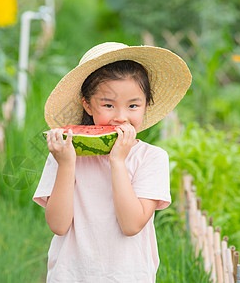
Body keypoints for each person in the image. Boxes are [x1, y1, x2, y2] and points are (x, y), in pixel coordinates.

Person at [33, 42, 192, 282]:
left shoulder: (151, 158)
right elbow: (58, 225)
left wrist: (118, 162)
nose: (120, 116)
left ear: (146, 105)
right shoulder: (64, 153)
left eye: (133, 105)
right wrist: (66, 164)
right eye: (108, 105)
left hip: (128, 276)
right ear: (87, 104)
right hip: (71, 275)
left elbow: (131, 225)